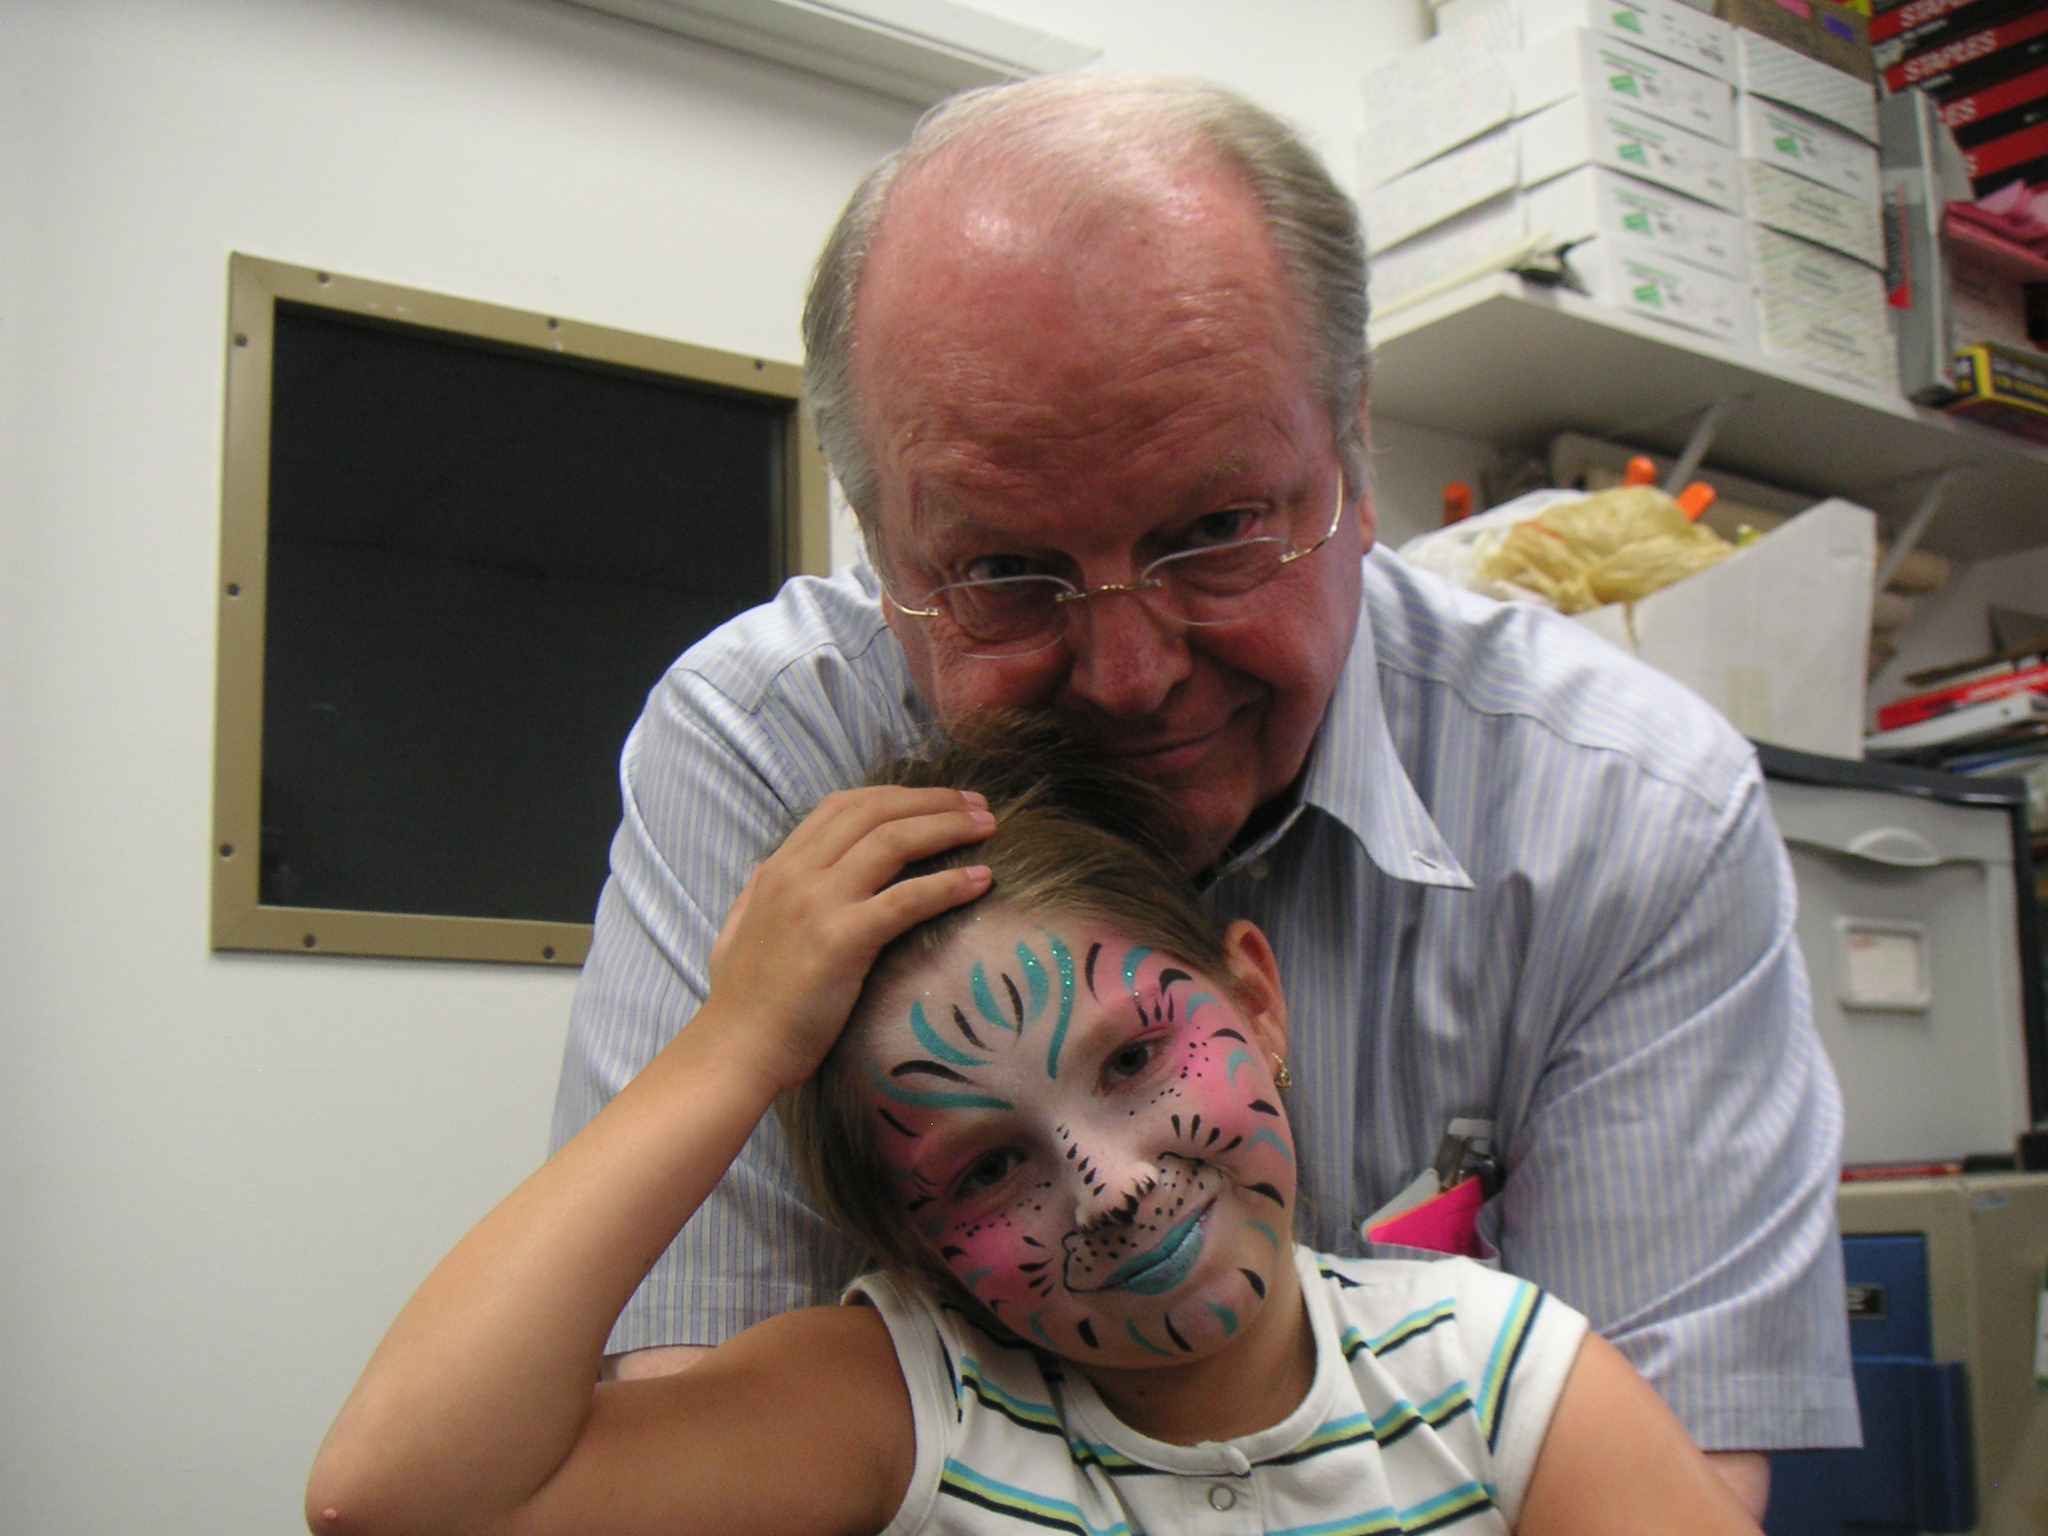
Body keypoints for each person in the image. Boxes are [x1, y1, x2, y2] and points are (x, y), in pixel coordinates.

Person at [552, 74, 1857, 1509]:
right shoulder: (766, 753)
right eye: (1003, 572)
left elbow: (1675, 1484)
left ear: (1353, 458)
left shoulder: (1631, 809)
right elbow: (688, 1439)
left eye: (1218, 532)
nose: (1125, 674)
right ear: (881, 542)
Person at [311, 728, 1767, 1535]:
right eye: (989, 1165)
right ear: (909, 1239)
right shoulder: (917, 1410)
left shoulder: (1495, 1375)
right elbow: (403, 1497)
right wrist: (736, 1046)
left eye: (1135, 1055)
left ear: (1255, 999)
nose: (1115, 1185)